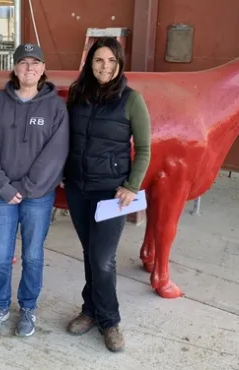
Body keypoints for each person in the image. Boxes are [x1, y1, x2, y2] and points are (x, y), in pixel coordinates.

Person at [63, 37, 151, 353]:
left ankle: (109, 320)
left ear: (119, 64)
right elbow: (67, 138)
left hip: (111, 192)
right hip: (77, 187)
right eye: (99, 60)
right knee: (90, 253)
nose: (105, 67)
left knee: (102, 259)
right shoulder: (77, 95)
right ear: (90, 63)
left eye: (111, 61)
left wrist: (132, 185)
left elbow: (144, 149)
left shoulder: (131, 100)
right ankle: (90, 310)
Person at [0, 43, 69, 337]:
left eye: (35, 63)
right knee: (1, 255)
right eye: (23, 63)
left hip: (38, 196)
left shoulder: (55, 107)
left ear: (43, 69)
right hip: (2, 194)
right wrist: (3, 186)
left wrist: (29, 187)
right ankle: (0, 305)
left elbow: (56, 153)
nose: (29, 68)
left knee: (32, 255)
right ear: (15, 68)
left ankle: (28, 307)